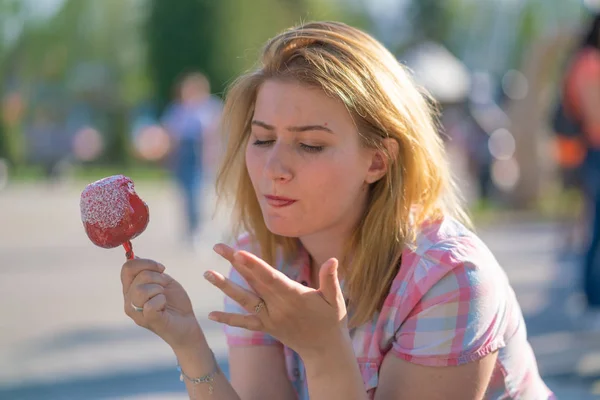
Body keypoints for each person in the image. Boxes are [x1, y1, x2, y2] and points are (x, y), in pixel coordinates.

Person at [121, 21, 553, 399]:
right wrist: (190, 346)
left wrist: (324, 350)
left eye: (310, 144)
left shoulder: (449, 279)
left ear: (377, 161)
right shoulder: (263, 259)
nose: (274, 169)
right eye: (263, 139)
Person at [558, 13, 600, 315]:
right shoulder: (588, 63)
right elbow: (595, 115)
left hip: (592, 153)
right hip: (595, 152)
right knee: (595, 229)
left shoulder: (584, 60)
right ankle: (591, 297)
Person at [161, 72, 222, 245]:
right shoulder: (177, 110)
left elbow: (213, 136)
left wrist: (212, 157)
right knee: (186, 194)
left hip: (198, 153)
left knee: (200, 193)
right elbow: (171, 137)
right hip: (183, 154)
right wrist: (170, 159)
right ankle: (190, 229)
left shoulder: (209, 108)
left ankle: (201, 229)